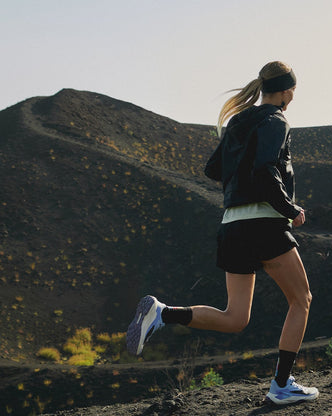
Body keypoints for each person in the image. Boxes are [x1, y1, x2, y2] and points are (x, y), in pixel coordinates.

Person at [125, 61, 317, 405]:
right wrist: (291, 209)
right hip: (263, 225)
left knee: (234, 319)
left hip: (232, 226)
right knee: (301, 300)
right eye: (293, 90)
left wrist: (240, 170)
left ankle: (163, 313)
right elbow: (264, 169)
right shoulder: (276, 120)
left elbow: (214, 168)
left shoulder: (239, 121)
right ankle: (282, 385)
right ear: (287, 90)